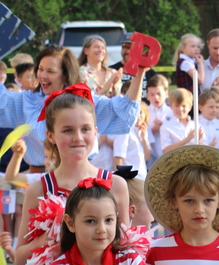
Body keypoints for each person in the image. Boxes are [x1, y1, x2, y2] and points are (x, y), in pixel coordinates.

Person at [0, 45, 143, 172]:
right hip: (38, 178)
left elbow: (124, 111)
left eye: (51, 71)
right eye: (40, 69)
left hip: (78, 179)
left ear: (66, 74)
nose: (42, 75)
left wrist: (140, 73)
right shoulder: (28, 101)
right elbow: (2, 101)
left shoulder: (84, 100)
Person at [113, 97, 150, 179]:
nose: (138, 116)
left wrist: (144, 139)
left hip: (142, 177)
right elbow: (118, 158)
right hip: (131, 180)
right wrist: (122, 181)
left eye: (140, 112)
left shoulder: (143, 131)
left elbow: (147, 157)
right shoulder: (125, 131)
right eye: (135, 112)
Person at [160, 88, 202, 153]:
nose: (180, 109)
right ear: (171, 106)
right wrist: (186, 140)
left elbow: (205, 148)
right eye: (177, 106)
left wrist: (198, 140)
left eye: (183, 106)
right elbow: (166, 150)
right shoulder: (166, 127)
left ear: (190, 107)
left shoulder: (196, 125)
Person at [145, 74, 171, 163]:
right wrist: (152, 131)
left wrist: (164, 127)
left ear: (166, 94)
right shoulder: (144, 112)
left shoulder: (172, 112)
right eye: (152, 94)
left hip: (168, 155)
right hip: (151, 157)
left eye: (159, 94)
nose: (156, 97)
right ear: (147, 95)